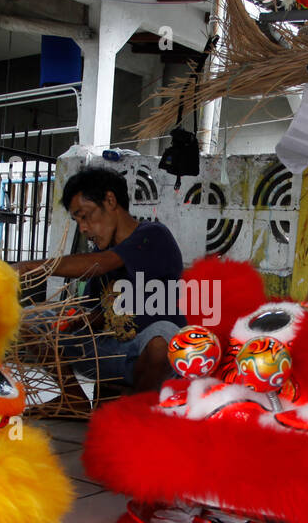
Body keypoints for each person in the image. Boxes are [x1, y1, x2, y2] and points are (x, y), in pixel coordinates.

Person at [16, 166, 184, 394]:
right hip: (107, 353)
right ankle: (73, 398)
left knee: (164, 335)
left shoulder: (153, 235)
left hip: (144, 353)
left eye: (85, 216)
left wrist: (29, 267)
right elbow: (98, 310)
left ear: (110, 200)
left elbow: (101, 263)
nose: (83, 228)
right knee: (30, 320)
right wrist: (79, 319)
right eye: (77, 221)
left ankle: (137, 412)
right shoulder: (101, 250)